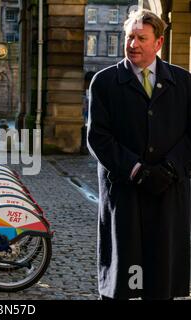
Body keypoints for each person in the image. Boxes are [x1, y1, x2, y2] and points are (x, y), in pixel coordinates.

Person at [87, 9, 191, 300]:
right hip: (125, 192)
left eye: (141, 38)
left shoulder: (183, 82)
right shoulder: (105, 82)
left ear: (158, 43)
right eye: (129, 37)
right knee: (124, 278)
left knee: (162, 277)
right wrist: (136, 169)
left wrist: (170, 169)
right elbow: (98, 137)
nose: (133, 44)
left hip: (169, 192)